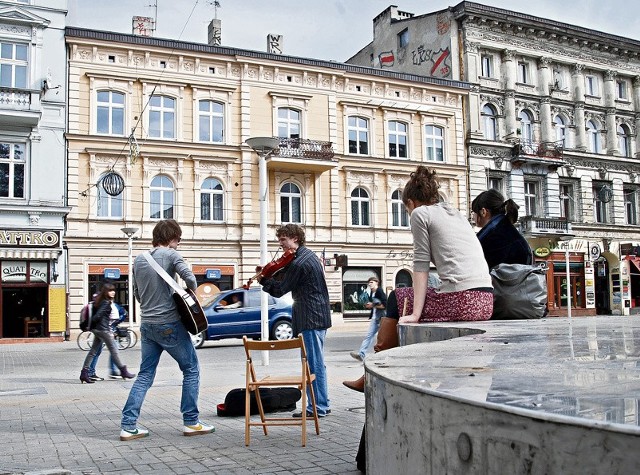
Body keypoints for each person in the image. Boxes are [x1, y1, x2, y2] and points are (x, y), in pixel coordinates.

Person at [120, 219, 214, 441]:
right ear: (172, 238)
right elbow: (190, 280)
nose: (178, 244)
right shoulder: (172, 255)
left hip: (147, 325)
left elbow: (136, 293)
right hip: (169, 324)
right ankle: (191, 422)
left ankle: (128, 425)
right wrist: (184, 293)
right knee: (191, 368)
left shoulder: (140, 259)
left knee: (145, 374)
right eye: (178, 240)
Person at [397, 166, 493, 324]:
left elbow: (421, 265)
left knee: (398, 298)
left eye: (407, 210)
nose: (409, 213)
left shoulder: (419, 214)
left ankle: (385, 349)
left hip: (464, 300)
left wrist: (415, 315)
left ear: (410, 203)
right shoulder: (455, 213)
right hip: (487, 301)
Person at [257, 224, 332, 418]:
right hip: (317, 315)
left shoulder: (299, 263)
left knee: (312, 364)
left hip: (310, 316)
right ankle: (322, 403)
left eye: (283, 239)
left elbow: (281, 289)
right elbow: (290, 277)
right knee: (317, 363)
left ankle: (317, 408)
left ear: (295, 239)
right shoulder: (309, 256)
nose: (280, 243)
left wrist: (264, 280)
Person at [79, 283, 135, 384]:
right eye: (110, 290)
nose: (113, 292)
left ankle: (84, 373)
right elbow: (97, 317)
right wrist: (105, 329)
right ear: (106, 292)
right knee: (114, 351)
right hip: (103, 330)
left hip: (97, 329)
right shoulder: (105, 303)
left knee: (93, 352)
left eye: (113, 290)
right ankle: (123, 371)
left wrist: (93, 326)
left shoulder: (100, 302)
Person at [471, 189, 533, 269]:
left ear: (483, 212)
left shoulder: (493, 237)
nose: (473, 216)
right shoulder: (507, 230)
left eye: (473, 212)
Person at [87, 300, 126, 380]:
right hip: (103, 331)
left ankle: (113, 371)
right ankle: (90, 372)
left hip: (105, 330)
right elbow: (100, 318)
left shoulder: (109, 304)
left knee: (97, 352)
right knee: (97, 352)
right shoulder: (105, 304)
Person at [350, 277, 386, 361]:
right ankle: (361, 354)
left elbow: (384, 305)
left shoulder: (379, 291)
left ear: (377, 283)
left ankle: (382, 354)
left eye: (372, 282)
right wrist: (369, 305)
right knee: (369, 336)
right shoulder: (371, 293)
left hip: (381, 318)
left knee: (382, 337)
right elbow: (375, 305)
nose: (370, 284)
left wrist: (372, 305)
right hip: (375, 318)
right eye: (369, 283)